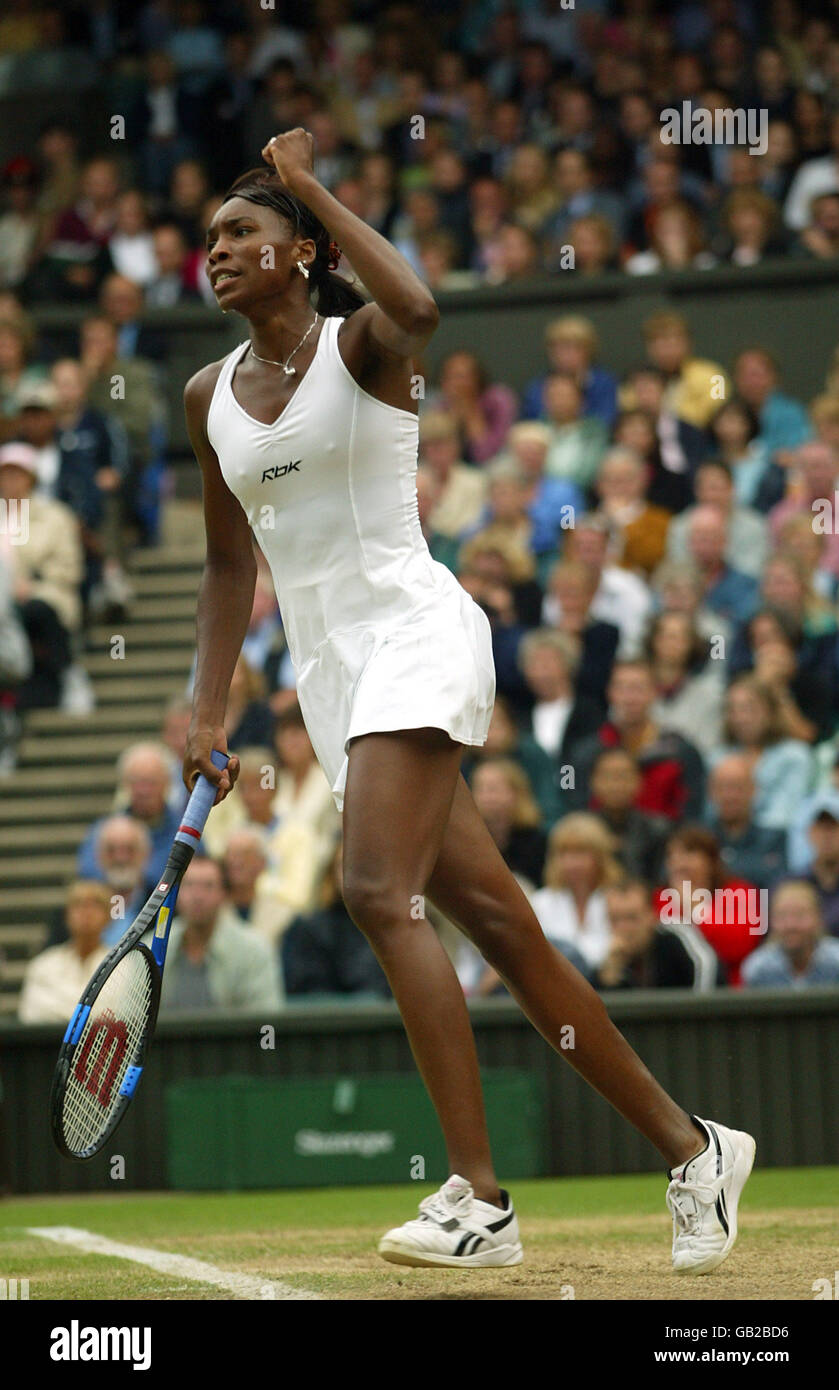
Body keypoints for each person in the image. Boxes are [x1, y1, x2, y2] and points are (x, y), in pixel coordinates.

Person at [182, 126, 754, 1275]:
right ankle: (694, 1147)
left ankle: (475, 1198)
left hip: (417, 634)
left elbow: (424, 305)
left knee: (371, 889)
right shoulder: (207, 396)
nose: (218, 250)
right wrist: (206, 708)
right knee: (502, 928)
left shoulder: (362, 347)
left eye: (242, 231)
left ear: (299, 251)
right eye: (208, 239)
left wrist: (307, 185)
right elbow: (225, 567)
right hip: (335, 679)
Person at [155, 856, 283, 1013]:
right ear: (176, 893)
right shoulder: (154, 946)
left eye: (208, 886)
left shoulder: (254, 951)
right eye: (189, 885)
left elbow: (265, 1018)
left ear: (224, 894)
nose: (197, 896)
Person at [17, 880, 110, 1023]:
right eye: (78, 904)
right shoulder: (42, 965)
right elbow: (31, 1014)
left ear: (108, 917)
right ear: (67, 915)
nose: (86, 912)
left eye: (95, 905)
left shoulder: (124, 965)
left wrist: (61, 1008)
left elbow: (118, 1014)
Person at [597, 877, 705, 991]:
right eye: (615, 919)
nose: (624, 927)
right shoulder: (607, 955)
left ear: (651, 916)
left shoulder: (675, 941)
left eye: (631, 918)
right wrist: (608, 978)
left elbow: (705, 973)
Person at [705, 756, 788, 890]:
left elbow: (779, 885)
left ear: (754, 790)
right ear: (710, 792)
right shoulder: (699, 839)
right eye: (721, 788)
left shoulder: (775, 838)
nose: (729, 796)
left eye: (737, 787)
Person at [742, 880, 839, 988]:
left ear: (819, 918)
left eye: (800, 915)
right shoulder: (758, 969)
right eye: (782, 916)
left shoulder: (836, 962)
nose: (791, 925)